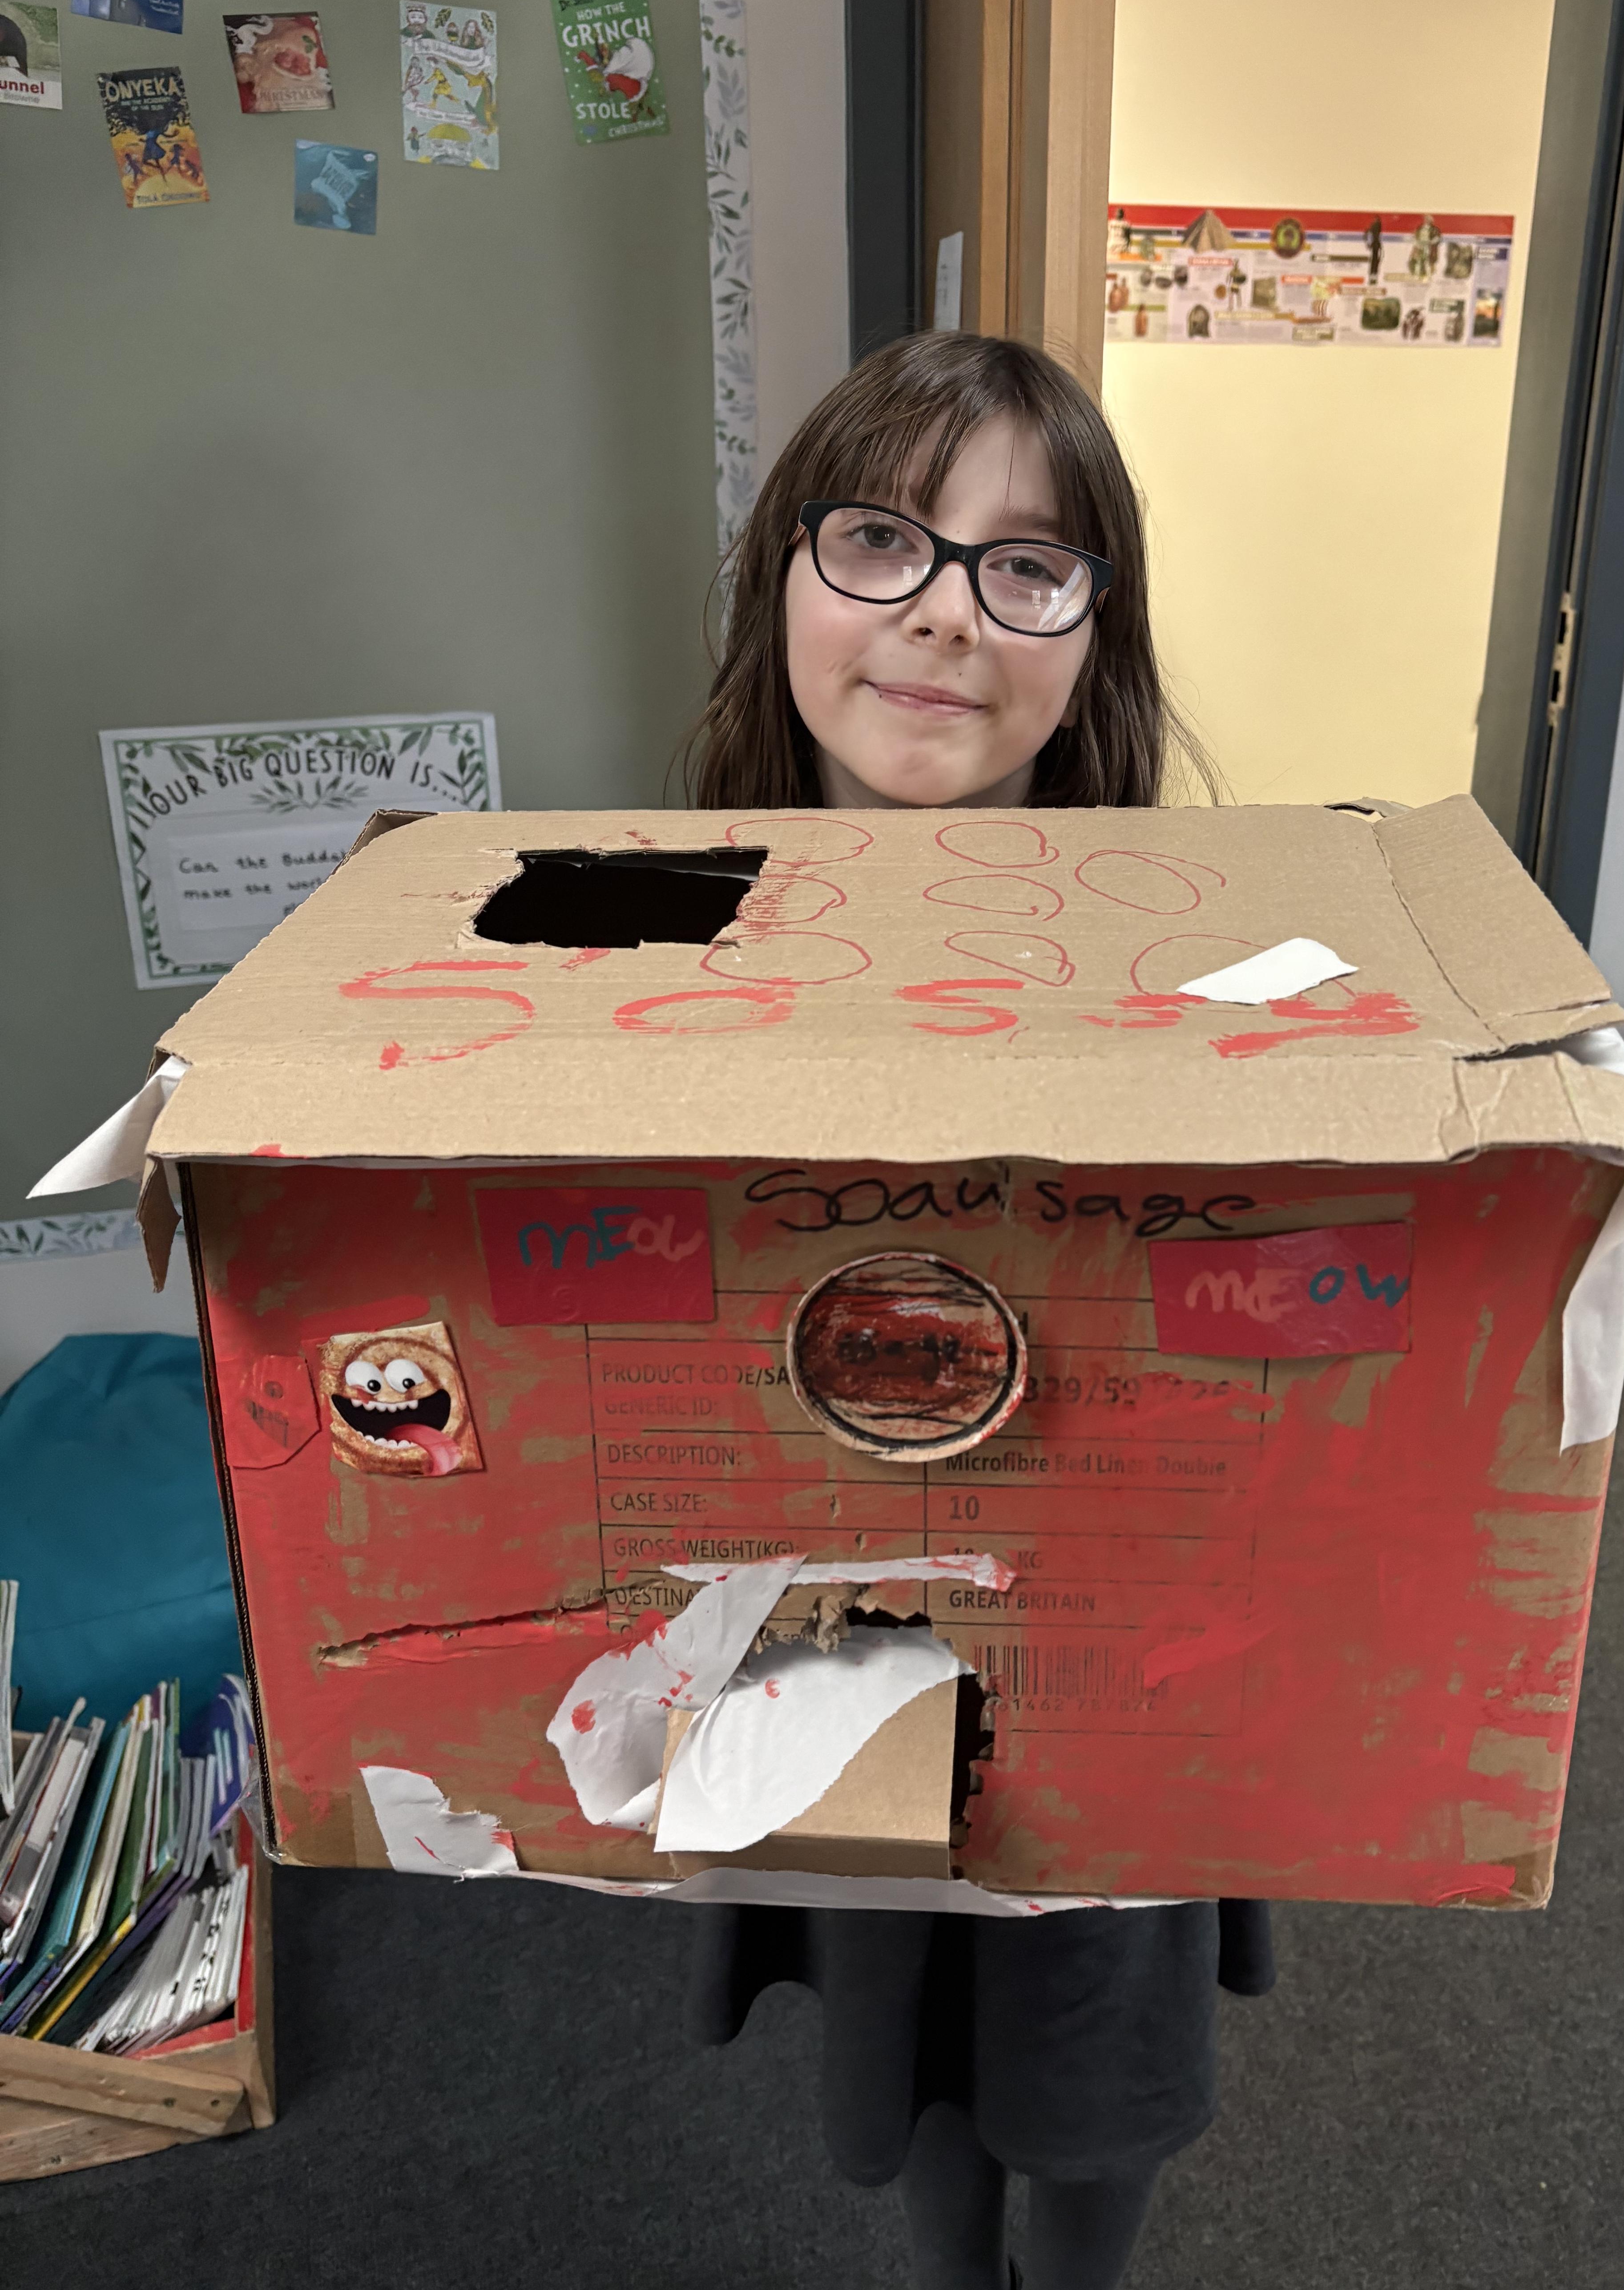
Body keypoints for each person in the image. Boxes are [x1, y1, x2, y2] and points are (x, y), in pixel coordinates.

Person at [677, 332, 1273, 2290]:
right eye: (882, 540)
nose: (944, 611)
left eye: (1025, 565)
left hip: (1118, 1649)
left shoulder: (1203, 984)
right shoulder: (651, 961)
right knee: (901, 2028)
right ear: (783, 576)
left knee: (1097, 2056)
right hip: (833, 1643)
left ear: (1093, 640)